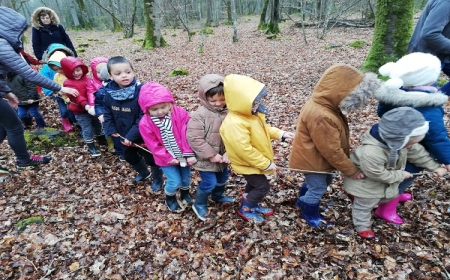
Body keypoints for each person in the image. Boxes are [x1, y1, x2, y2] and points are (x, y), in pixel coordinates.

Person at [289, 64, 382, 228]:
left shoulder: (325, 106)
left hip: (315, 157)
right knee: (317, 188)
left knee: (321, 182)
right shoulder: (321, 115)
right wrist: (351, 170)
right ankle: (309, 213)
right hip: (313, 161)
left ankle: (303, 202)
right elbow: (331, 150)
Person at [343, 107, 447, 239]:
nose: (410, 146)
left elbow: (417, 152)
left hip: (382, 181)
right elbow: (377, 173)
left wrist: (434, 167)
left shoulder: (399, 142)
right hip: (366, 184)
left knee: (386, 195)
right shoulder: (372, 152)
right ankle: (362, 225)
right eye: (409, 144)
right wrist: (400, 175)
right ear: (398, 140)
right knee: (364, 206)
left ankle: (373, 200)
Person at [0, 7, 78, 169]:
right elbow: (28, 73)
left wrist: (7, 92)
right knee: (14, 125)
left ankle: (23, 159)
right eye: (20, 31)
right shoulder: (1, 45)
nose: (21, 36)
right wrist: (60, 88)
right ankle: (24, 160)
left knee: (5, 124)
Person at [219, 74, 295, 223]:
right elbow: (244, 150)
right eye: (253, 103)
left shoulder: (251, 115)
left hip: (254, 162)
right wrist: (265, 163)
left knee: (254, 184)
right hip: (247, 163)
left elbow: (264, 129)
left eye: (257, 102)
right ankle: (246, 208)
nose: (256, 105)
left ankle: (251, 204)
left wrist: (281, 134)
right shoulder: (235, 123)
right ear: (240, 102)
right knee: (262, 187)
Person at [375, 52, 450, 201]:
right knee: (405, 177)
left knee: (393, 174)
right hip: (415, 150)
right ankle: (387, 205)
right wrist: (448, 160)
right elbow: (436, 138)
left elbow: (381, 112)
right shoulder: (427, 107)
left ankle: (390, 195)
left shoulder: (395, 94)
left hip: (390, 144)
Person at [102, 56, 163, 188]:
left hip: (144, 134)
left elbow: (144, 116)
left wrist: (132, 136)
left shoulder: (141, 91)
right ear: (110, 76)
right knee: (129, 156)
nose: (124, 76)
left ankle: (158, 179)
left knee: (151, 158)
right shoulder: (108, 93)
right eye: (118, 74)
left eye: (128, 72)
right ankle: (144, 173)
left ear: (133, 72)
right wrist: (110, 128)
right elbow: (107, 113)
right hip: (123, 134)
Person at [138, 82, 197, 212]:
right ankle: (170, 198)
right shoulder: (145, 123)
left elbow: (187, 133)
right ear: (146, 109)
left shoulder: (180, 113)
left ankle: (185, 194)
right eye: (154, 109)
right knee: (174, 180)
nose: (160, 112)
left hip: (183, 154)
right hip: (165, 158)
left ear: (170, 103)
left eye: (163, 107)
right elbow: (153, 144)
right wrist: (168, 157)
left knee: (186, 178)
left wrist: (188, 152)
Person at [187, 74, 233, 221]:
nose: (218, 103)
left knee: (223, 177)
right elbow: (195, 138)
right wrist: (212, 155)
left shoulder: (230, 113)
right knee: (209, 182)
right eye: (213, 100)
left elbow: (235, 136)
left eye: (222, 99)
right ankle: (199, 204)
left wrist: (229, 153)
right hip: (206, 159)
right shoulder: (199, 115)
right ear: (205, 98)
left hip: (223, 157)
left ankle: (217, 196)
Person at [60, 56, 106, 157]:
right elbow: (77, 97)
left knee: (97, 124)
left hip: (93, 107)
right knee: (87, 128)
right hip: (80, 110)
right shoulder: (68, 83)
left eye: (78, 70)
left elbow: (93, 91)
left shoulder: (88, 79)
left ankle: (101, 140)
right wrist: (85, 105)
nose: (77, 73)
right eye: (73, 72)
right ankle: (91, 146)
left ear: (82, 69)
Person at [407, 0, 450, 95]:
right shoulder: (445, 3)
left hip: (443, 54)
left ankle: (436, 99)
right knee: (419, 97)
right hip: (425, 56)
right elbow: (429, 34)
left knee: (425, 98)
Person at [40, 43, 76, 131]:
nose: (59, 70)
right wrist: (51, 92)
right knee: (64, 110)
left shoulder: (71, 65)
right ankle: (65, 121)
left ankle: (74, 121)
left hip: (72, 94)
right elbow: (44, 81)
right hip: (59, 94)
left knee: (73, 109)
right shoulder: (47, 68)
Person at [87, 56, 115, 153]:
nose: (102, 74)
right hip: (103, 109)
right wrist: (92, 105)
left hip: (114, 108)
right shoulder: (92, 82)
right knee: (106, 126)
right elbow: (90, 93)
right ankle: (110, 143)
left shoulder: (114, 80)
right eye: (98, 72)